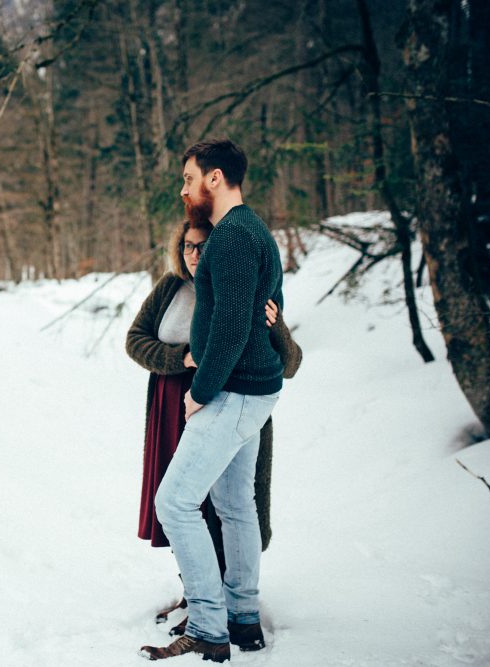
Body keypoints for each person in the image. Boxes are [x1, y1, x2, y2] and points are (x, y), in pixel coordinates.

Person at [139, 140, 288, 663]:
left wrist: (200, 395)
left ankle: (208, 624)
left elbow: (226, 331)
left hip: (233, 391)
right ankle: (243, 619)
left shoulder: (230, 239)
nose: (183, 190)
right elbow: (273, 301)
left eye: (188, 179)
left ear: (215, 178)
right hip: (256, 391)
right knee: (233, 504)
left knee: (174, 502)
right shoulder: (255, 233)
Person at [125, 219, 301, 635]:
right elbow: (135, 339)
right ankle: (196, 594)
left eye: (204, 246)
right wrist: (181, 358)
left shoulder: (240, 292)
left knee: (221, 505)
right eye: (188, 246)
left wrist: (277, 327)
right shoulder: (170, 289)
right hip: (173, 406)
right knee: (181, 506)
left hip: (227, 401)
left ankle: (224, 605)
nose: (195, 254)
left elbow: (290, 363)